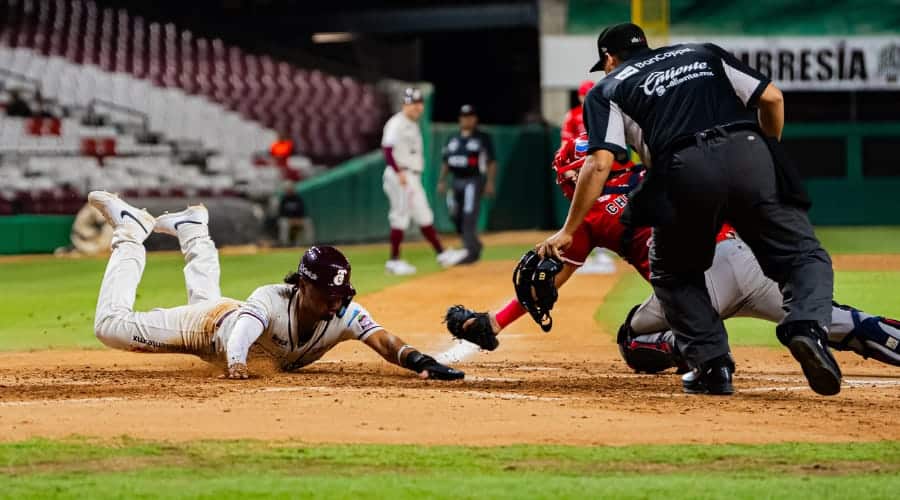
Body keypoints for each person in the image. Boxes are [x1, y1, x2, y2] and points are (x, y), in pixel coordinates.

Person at [536, 23, 841, 396]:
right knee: (802, 255)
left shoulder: (608, 87)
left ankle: (712, 365)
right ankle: (806, 327)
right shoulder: (702, 52)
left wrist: (568, 229)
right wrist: (766, 157)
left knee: (673, 274)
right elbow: (773, 99)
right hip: (748, 149)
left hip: (682, 168)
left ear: (609, 59)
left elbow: (600, 162)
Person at [445, 134, 900, 377]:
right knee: (823, 321)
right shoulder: (659, 168)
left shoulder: (585, 217)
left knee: (633, 339)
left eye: (570, 176)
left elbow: (546, 283)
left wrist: (491, 323)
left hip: (691, 283)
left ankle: (701, 355)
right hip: (745, 259)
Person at [87, 190, 464, 381]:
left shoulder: (343, 311)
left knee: (205, 297)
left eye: (341, 297)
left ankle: (193, 230)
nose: (336, 305)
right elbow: (244, 332)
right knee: (110, 327)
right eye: (328, 296)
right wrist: (236, 363)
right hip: (211, 328)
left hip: (223, 326)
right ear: (303, 284)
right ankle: (131, 234)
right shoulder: (271, 298)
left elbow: (383, 341)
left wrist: (422, 362)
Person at [381, 88, 467, 275]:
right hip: (401, 174)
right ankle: (393, 261)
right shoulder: (397, 123)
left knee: (424, 214)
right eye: (413, 103)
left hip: (411, 175)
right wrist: (398, 172)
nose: (417, 107)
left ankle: (442, 254)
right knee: (400, 216)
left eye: (420, 103)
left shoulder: (412, 125)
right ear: (405, 104)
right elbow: (387, 149)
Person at [562, 79, 617, 275]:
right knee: (582, 209)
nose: (585, 98)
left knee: (603, 208)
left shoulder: (603, 111)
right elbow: (565, 145)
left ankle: (602, 254)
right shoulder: (574, 115)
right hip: (580, 167)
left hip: (599, 165)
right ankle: (581, 253)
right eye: (583, 95)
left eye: (588, 94)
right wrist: (568, 169)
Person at [436, 104, 496, 264]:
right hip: (456, 180)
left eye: (469, 116)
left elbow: (491, 162)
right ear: (460, 119)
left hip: (473, 180)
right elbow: (446, 162)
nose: (466, 119)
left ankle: (470, 251)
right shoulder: (453, 138)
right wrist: (442, 180)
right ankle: (474, 245)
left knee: (469, 215)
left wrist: (490, 182)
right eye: (464, 116)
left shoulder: (482, 138)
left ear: (475, 119)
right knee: (455, 216)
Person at [277, 181, 314, 247]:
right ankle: (284, 244)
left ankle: (309, 244)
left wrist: (299, 219)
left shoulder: (298, 198)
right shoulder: (283, 200)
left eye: (290, 189)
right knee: (283, 223)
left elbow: (302, 211)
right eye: (288, 189)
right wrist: (290, 220)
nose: (289, 190)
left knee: (308, 222)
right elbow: (281, 213)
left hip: (298, 219)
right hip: (287, 220)